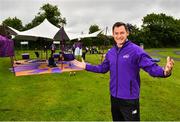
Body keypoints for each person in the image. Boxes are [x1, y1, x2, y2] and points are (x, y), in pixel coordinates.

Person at [72, 22, 174, 121]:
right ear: (113, 34)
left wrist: (164, 72)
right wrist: (86, 66)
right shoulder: (111, 52)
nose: (119, 36)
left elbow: (150, 67)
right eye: (116, 33)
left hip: (129, 99)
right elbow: (102, 68)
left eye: (122, 33)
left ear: (127, 33)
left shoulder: (136, 50)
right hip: (114, 98)